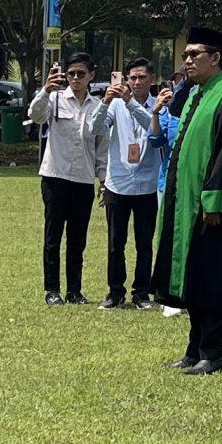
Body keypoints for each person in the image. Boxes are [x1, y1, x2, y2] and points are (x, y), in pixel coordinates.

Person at [153, 26, 222, 374]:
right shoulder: (198, 95)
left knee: (212, 280)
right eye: (185, 55)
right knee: (194, 281)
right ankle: (194, 348)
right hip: (187, 205)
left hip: (211, 210)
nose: (187, 60)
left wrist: (215, 203)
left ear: (216, 59)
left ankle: (213, 352)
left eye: (194, 54)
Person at [27, 54, 112, 305]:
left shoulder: (98, 107)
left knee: (78, 237)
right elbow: (35, 115)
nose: (75, 78)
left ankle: (74, 290)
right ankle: (52, 290)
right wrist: (45, 89)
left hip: (83, 178)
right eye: (71, 73)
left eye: (81, 74)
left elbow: (102, 147)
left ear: (91, 76)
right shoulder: (54, 99)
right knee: (53, 236)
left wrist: (103, 180)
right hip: (56, 175)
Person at [100, 59, 164, 309]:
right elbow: (94, 129)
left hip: (147, 183)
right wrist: (105, 102)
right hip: (118, 182)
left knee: (144, 242)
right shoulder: (114, 105)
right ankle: (115, 292)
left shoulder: (159, 105)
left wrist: (130, 102)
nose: (136, 82)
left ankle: (142, 292)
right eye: (131, 78)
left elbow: (153, 127)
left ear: (152, 78)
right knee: (116, 242)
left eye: (141, 77)